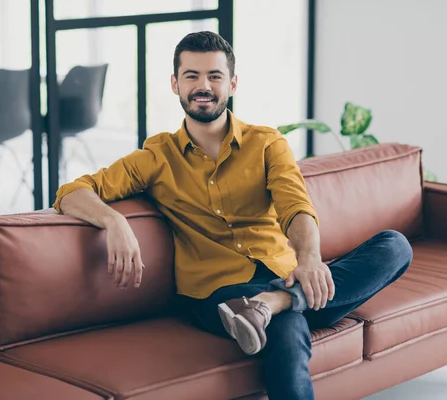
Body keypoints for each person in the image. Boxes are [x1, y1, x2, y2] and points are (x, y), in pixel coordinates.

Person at [53, 31, 413, 400]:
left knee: (395, 247)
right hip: (216, 293)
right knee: (288, 328)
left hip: (283, 275)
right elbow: (71, 192)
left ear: (232, 83)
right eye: (191, 76)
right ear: (175, 84)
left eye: (214, 76)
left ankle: (271, 304)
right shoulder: (156, 156)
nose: (202, 86)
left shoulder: (267, 143)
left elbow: (296, 207)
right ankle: (279, 305)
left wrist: (308, 261)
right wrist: (115, 221)